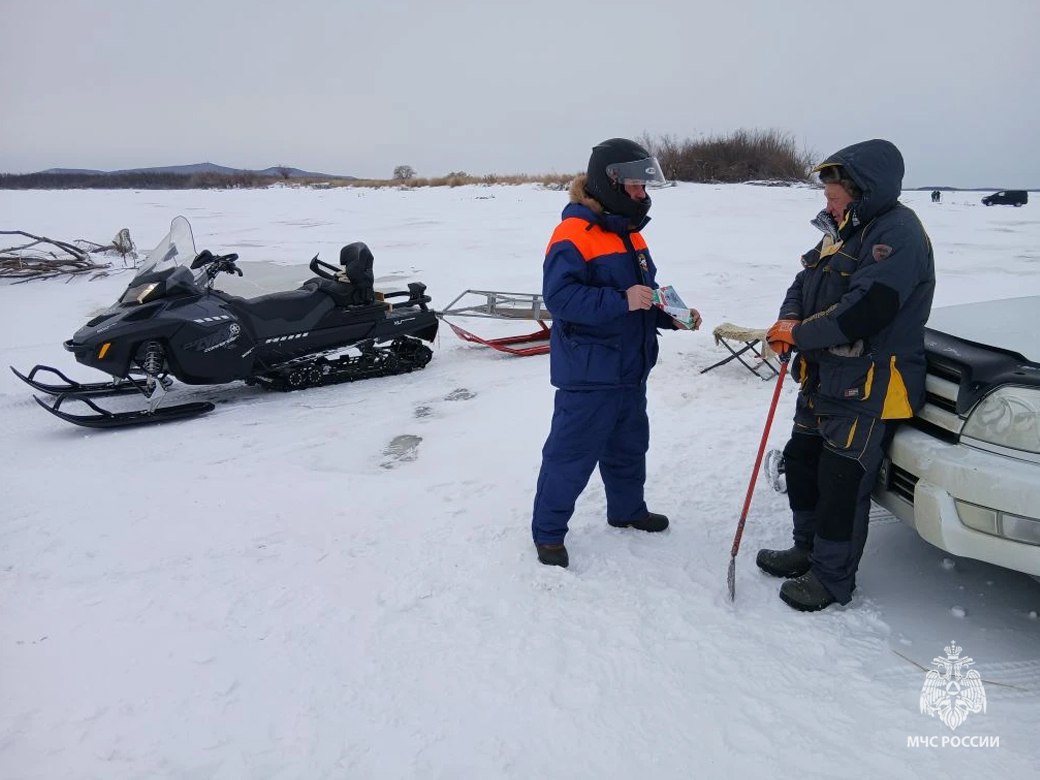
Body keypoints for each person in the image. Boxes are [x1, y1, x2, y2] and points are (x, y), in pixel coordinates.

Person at [757, 139, 935, 610]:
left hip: (868, 380)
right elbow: (804, 281)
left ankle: (831, 579)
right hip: (823, 374)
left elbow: (865, 311)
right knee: (802, 462)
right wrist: (787, 322)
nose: (828, 204)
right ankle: (806, 549)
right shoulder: (841, 230)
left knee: (841, 480)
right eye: (827, 197)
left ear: (865, 191)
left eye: (836, 197)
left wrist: (799, 335)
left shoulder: (897, 233)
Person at [531, 138, 702, 568]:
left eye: (646, 187)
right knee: (570, 456)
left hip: (630, 367)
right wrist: (621, 301)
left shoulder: (629, 234)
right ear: (611, 183)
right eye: (637, 186)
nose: (643, 195)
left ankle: (627, 510)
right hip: (589, 373)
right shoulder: (573, 233)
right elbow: (561, 299)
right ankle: (548, 534)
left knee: (629, 447)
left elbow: (646, 293)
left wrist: (673, 315)